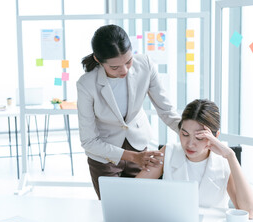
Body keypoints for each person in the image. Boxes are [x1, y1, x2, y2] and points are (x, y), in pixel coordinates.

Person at [76, 24, 180, 199]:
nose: (124, 70)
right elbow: (88, 141)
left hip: (139, 146)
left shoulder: (145, 65)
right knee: (114, 210)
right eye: (115, 68)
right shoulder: (86, 84)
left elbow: (166, 110)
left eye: (128, 61)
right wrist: (134, 157)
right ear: (99, 61)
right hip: (105, 156)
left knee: (141, 206)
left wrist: (190, 133)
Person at [136, 99, 253, 218]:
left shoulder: (224, 162)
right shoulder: (168, 152)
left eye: (199, 137)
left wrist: (231, 156)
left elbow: (250, 212)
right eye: (184, 134)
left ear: (215, 136)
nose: (190, 144)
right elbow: (133, 190)